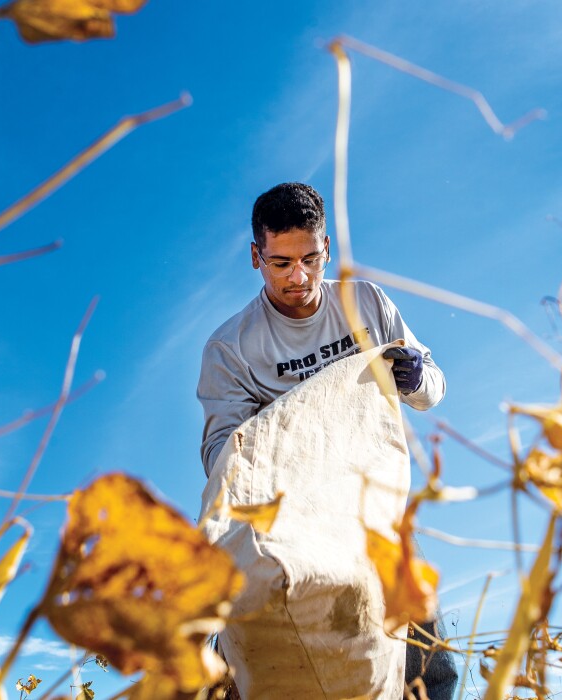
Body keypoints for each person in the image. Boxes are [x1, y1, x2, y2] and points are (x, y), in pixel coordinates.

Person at [197, 182, 458, 699]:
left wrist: (414, 377)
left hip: (370, 513)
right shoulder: (231, 347)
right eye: (280, 263)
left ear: (327, 250)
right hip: (280, 524)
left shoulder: (362, 301)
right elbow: (220, 454)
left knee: (430, 664)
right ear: (256, 256)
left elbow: (434, 387)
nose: (299, 277)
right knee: (247, 657)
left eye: (310, 259)